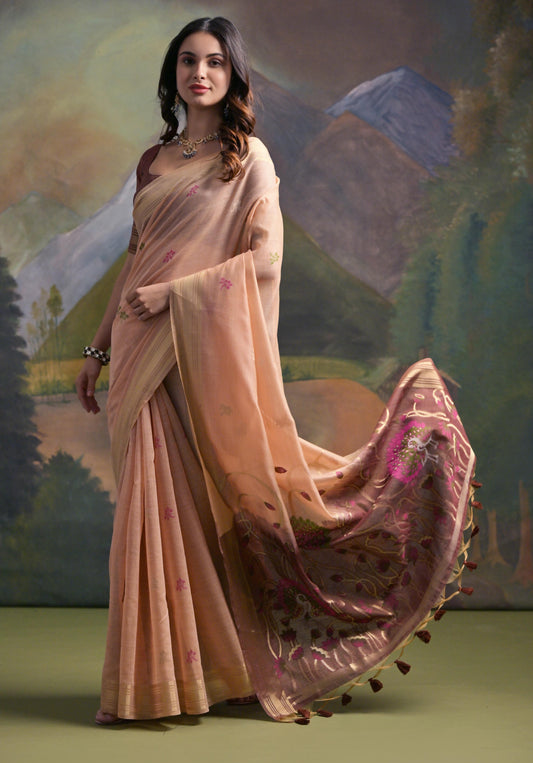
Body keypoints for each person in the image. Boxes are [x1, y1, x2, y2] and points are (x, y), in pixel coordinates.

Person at [76, 17, 477, 725]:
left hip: (192, 348)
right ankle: (161, 679)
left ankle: (197, 673)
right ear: (173, 74)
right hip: (138, 355)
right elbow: (135, 259)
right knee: (149, 511)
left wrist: (174, 296)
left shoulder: (248, 158)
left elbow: (263, 261)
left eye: (213, 62)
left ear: (232, 75)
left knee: (198, 505)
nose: (199, 73)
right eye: (187, 61)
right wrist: (97, 349)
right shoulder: (153, 161)